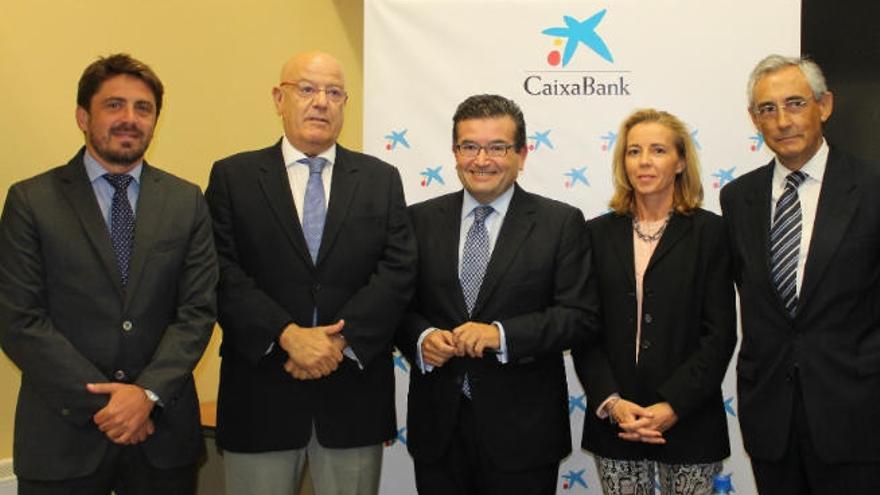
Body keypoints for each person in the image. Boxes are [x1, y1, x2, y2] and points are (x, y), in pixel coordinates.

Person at [0, 54, 218, 494]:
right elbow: (19, 319)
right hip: (62, 441)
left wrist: (146, 396)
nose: (129, 119)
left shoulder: (186, 201)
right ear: (83, 116)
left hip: (162, 438)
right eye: (114, 105)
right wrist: (112, 406)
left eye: (143, 108)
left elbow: (196, 312)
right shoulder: (30, 201)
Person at [206, 50, 416, 495]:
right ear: (279, 98)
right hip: (261, 392)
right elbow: (221, 271)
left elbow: (397, 272)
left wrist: (337, 341)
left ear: (345, 104)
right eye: (306, 89)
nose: (320, 101)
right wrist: (286, 333)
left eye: (333, 92)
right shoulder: (233, 177)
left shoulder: (381, 179)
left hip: (352, 398)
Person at [396, 94, 596, 495]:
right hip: (439, 431)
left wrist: (501, 335)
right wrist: (420, 338)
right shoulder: (417, 220)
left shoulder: (560, 223)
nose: (481, 160)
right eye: (469, 146)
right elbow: (397, 305)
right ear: (454, 152)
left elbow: (579, 316)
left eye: (497, 147)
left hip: (524, 435)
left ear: (522, 154)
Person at [720, 54, 880, 494]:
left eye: (795, 103)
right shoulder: (737, 199)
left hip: (858, 417)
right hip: (771, 416)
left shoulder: (870, 188)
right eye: (767, 109)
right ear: (754, 119)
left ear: (824, 105)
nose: (782, 121)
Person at [574, 108, 736, 495]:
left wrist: (674, 405)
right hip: (617, 423)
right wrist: (612, 403)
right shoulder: (595, 234)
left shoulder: (711, 232)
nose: (644, 161)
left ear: (680, 161)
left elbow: (720, 333)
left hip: (690, 420)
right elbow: (583, 328)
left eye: (658, 150)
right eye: (634, 151)